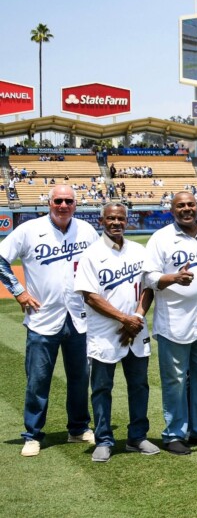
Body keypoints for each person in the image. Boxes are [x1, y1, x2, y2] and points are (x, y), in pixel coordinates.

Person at [0, 185, 98, 457]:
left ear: (75, 205)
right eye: (58, 200)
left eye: (69, 201)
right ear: (49, 203)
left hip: (78, 317)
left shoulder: (86, 231)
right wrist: (19, 292)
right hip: (42, 318)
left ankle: (78, 428)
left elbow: (99, 265)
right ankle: (32, 434)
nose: (63, 205)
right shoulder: (28, 230)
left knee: (80, 378)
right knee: (38, 379)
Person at [144, 191, 197, 455]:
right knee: (176, 380)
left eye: (191, 204)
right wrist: (173, 278)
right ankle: (173, 434)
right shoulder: (161, 238)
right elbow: (148, 278)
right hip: (174, 320)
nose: (186, 209)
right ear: (172, 210)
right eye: (180, 205)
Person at [74, 202, 159, 462]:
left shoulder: (138, 250)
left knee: (139, 386)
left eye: (120, 218)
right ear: (102, 222)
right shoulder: (91, 254)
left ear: (126, 221)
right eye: (110, 218)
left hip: (135, 329)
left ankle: (137, 436)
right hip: (104, 332)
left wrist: (136, 317)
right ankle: (104, 439)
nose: (116, 223)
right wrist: (125, 319)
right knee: (101, 387)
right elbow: (90, 297)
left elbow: (149, 287)